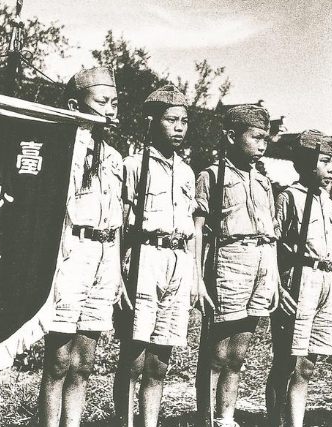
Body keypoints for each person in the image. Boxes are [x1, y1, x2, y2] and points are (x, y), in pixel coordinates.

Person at [38, 66, 126, 427]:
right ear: (75, 105)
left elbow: (118, 220)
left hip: (105, 257)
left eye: (115, 103)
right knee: (59, 360)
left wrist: (117, 270)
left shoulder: (115, 157)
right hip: (72, 252)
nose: (111, 110)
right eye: (102, 102)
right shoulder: (62, 150)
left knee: (85, 362)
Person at [112, 85, 196, 427]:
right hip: (145, 256)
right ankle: (125, 422)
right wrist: (119, 272)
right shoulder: (133, 165)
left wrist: (192, 275)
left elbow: (191, 226)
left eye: (184, 121)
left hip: (178, 260)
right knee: (134, 356)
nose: (179, 128)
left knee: (161, 359)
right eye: (171, 120)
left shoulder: (187, 171)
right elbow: (121, 223)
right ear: (152, 122)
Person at [193, 104, 279, 427]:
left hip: (260, 263)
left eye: (265, 139)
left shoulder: (264, 182)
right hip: (228, 262)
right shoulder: (212, 176)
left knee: (238, 353)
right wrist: (198, 278)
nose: (262, 145)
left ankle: (226, 417)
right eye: (255, 137)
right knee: (217, 353)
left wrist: (273, 277)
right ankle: (206, 418)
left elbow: (270, 234)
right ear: (231, 136)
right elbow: (198, 230)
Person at [265, 130, 332, 427]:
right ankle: (275, 420)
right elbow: (273, 244)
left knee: (307, 364)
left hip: (325, 281)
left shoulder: (329, 203)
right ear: (307, 163)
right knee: (287, 360)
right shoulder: (289, 197)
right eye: (325, 161)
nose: (331, 169)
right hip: (298, 279)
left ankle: (296, 422)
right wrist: (278, 285)